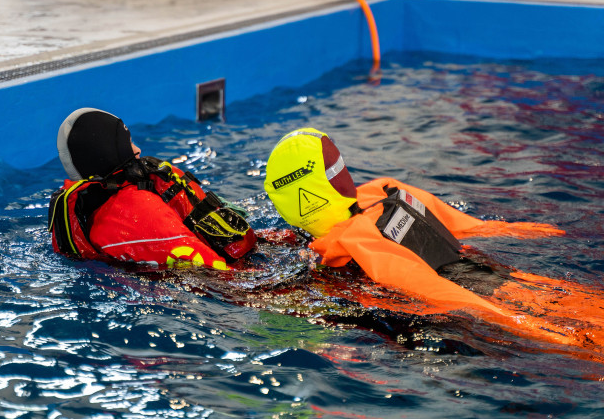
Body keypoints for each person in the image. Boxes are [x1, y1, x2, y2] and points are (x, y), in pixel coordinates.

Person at [263, 127, 566, 318]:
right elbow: (469, 225)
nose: (343, 172)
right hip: (491, 269)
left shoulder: (352, 242)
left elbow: (434, 290)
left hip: (477, 296)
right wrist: (523, 231)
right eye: (336, 168)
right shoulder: (384, 191)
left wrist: (515, 322)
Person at [48, 108, 256, 270]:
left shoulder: (95, 207)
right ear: (108, 152)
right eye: (127, 143)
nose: (138, 150)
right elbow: (218, 274)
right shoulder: (134, 210)